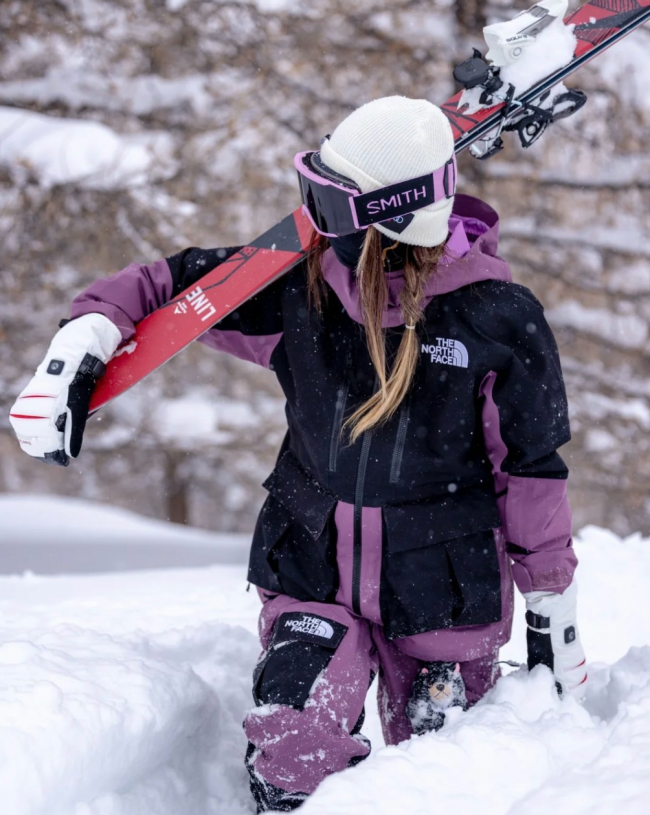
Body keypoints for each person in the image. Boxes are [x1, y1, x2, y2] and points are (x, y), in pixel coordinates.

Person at [9, 96, 587, 812]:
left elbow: (531, 471)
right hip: (312, 567)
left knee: (446, 777)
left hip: (441, 588)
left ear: (389, 216)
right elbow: (169, 285)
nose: (309, 218)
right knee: (290, 751)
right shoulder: (300, 290)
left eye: (328, 201)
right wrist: (86, 334)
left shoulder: (497, 318)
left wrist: (551, 605)